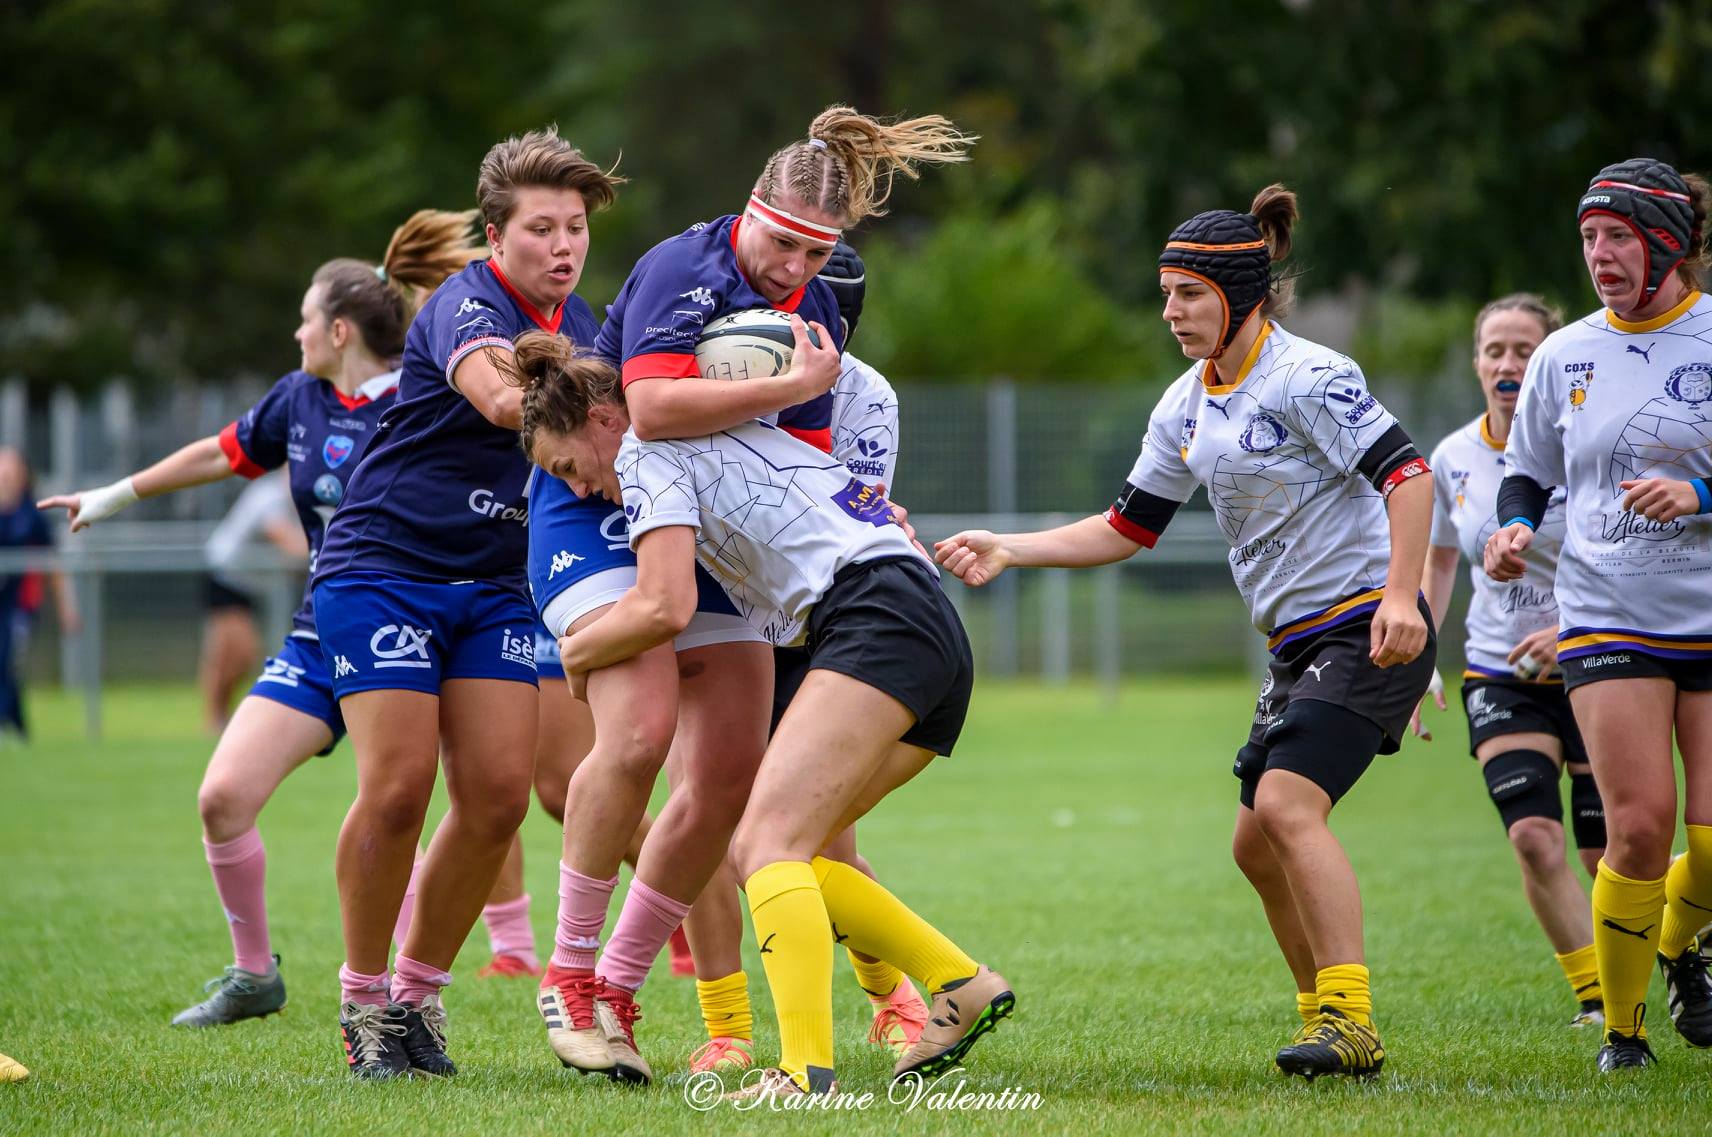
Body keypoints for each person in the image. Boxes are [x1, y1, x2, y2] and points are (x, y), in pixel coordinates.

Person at [936, 186, 1437, 1080]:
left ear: (1241, 296)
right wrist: (1011, 548)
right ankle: (1323, 1019)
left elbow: (1409, 476)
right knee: (1255, 846)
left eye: (1189, 295)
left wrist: (1403, 597)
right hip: (1297, 643)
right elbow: (1126, 527)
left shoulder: (1309, 375)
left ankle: (1351, 1020)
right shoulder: (1184, 404)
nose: (1171, 311)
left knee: (1287, 806)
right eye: (1166, 293)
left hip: (1363, 619)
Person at [530, 106, 972, 1087]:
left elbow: (786, 481)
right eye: (782, 244)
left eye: (816, 255)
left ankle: (631, 992)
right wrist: (581, 650)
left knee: (743, 798)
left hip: (771, 558)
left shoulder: (823, 338)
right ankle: (571, 973)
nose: (792, 270)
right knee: (645, 735)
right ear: (749, 209)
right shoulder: (681, 271)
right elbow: (649, 412)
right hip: (610, 490)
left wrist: (859, 501)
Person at [512, 326, 1012, 1100]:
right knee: (787, 846)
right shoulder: (733, 427)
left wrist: (576, 655)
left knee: (765, 842)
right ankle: (957, 980)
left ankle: (806, 1072)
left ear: (605, 418)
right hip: (925, 622)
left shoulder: (646, 450)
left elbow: (664, 604)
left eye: (567, 467)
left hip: (873, 616)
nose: (577, 490)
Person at [40, 210, 481, 1028]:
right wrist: (113, 494)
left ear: (339, 329)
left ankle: (407, 996)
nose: (296, 332)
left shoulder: (424, 394)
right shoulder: (301, 397)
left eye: (305, 318)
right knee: (223, 795)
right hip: (324, 627)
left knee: (399, 805)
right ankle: (254, 974)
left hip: (409, 623)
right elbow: (221, 452)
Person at [308, 128, 619, 1079]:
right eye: (541, 228)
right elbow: (498, 399)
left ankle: (416, 997)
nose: (563, 246)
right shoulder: (466, 304)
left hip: (494, 585)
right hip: (383, 566)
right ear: (496, 235)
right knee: (399, 788)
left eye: (575, 228)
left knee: (494, 799)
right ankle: (364, 1002)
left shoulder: (585, 319)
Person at [1485, 158, 1712, 1072]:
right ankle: (1624, 1032)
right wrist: (1512, 525)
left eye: (1618, 236)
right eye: (1588, 237)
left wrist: (1699, 492)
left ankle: (1675, 943)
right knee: (1642, 827)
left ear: (1668, 243)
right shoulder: (1564, 352)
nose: (1599, 254)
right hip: (1608, 612)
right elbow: (1527, 470)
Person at [1413, 294, 1607, 1028]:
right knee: (1532, 836)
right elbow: (1439, 562)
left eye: (1524, 350)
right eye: (1494, 349)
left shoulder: (1586, 446)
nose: (1508, 363)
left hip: (1598, 660)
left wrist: (1567, 629)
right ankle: (1600, 998)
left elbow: (1626, 551)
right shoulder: (1452, 458)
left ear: (1549, 361)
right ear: (1476, 362)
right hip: (1500, 672)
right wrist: (1419, 651)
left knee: (1608, 852)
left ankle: (1675, 951)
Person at [198, 471, 303, 733]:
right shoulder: (271, 496)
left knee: (237, 658)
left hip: (247, 584)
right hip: (225, 576)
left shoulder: (292, 500)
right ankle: (214, 719)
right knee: (234, 654)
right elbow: (286, 541)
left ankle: (218, 719)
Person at [0, 449, 78, 738]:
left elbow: (53, 564)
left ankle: (12, 723)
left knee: (7, 660)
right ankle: (16, 726)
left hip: (20, 605)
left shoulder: (32, 516)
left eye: (10, 468)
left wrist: (67, 608)